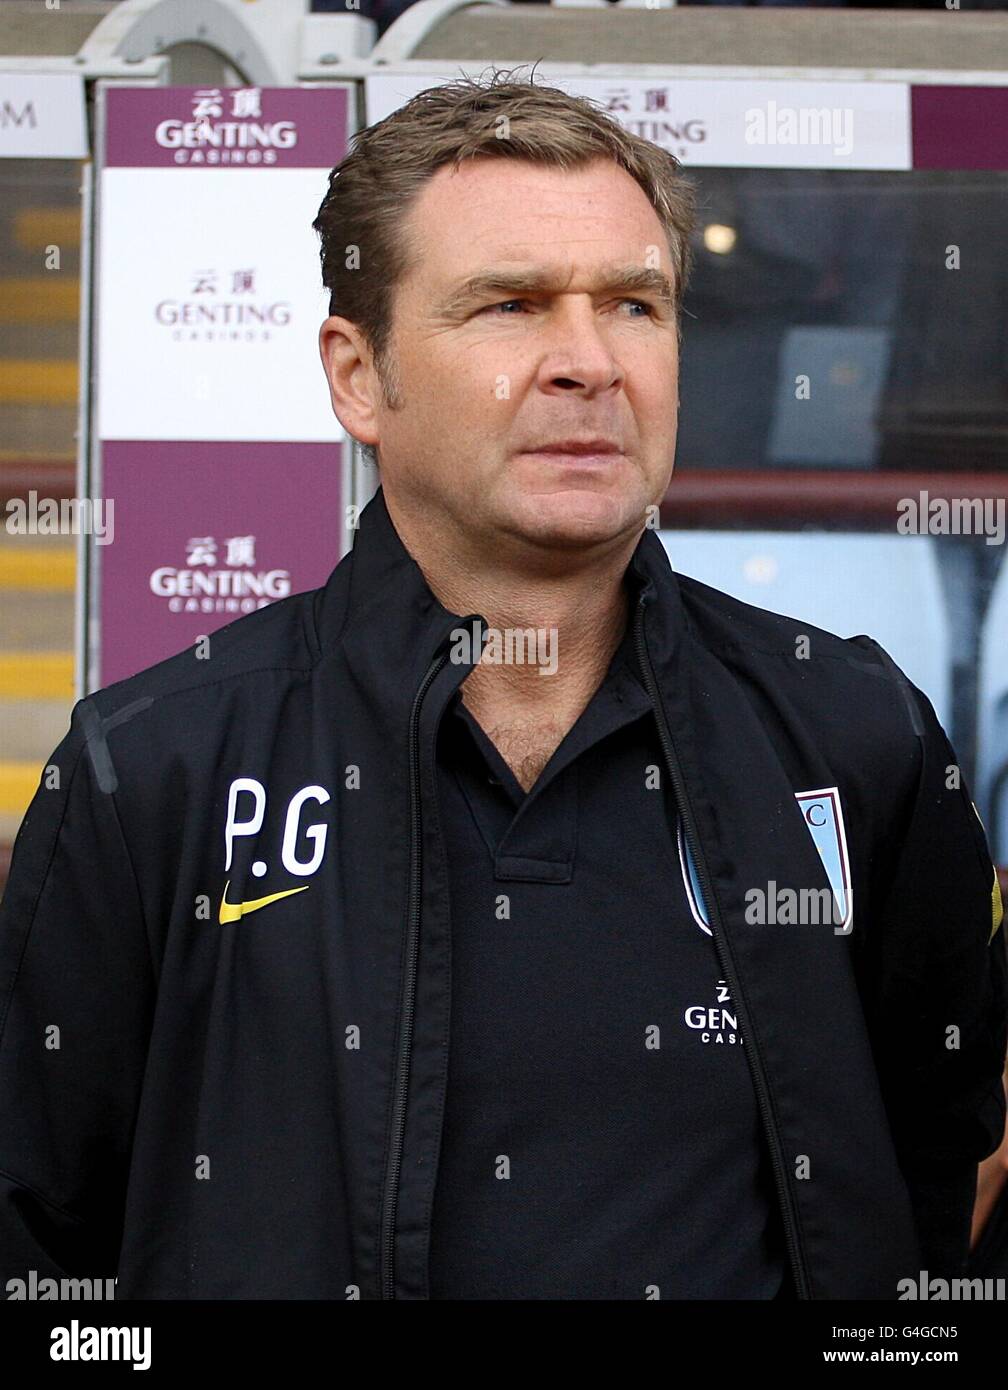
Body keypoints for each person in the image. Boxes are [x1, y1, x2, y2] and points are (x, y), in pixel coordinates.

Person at [0, 69, 1005, 1301]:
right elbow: (42, 1250)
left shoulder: (856, 736)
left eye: (635, 304)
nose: (587, 361)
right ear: (359, 376)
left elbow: (926, 1180)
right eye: (511, 304)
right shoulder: (151, 772)